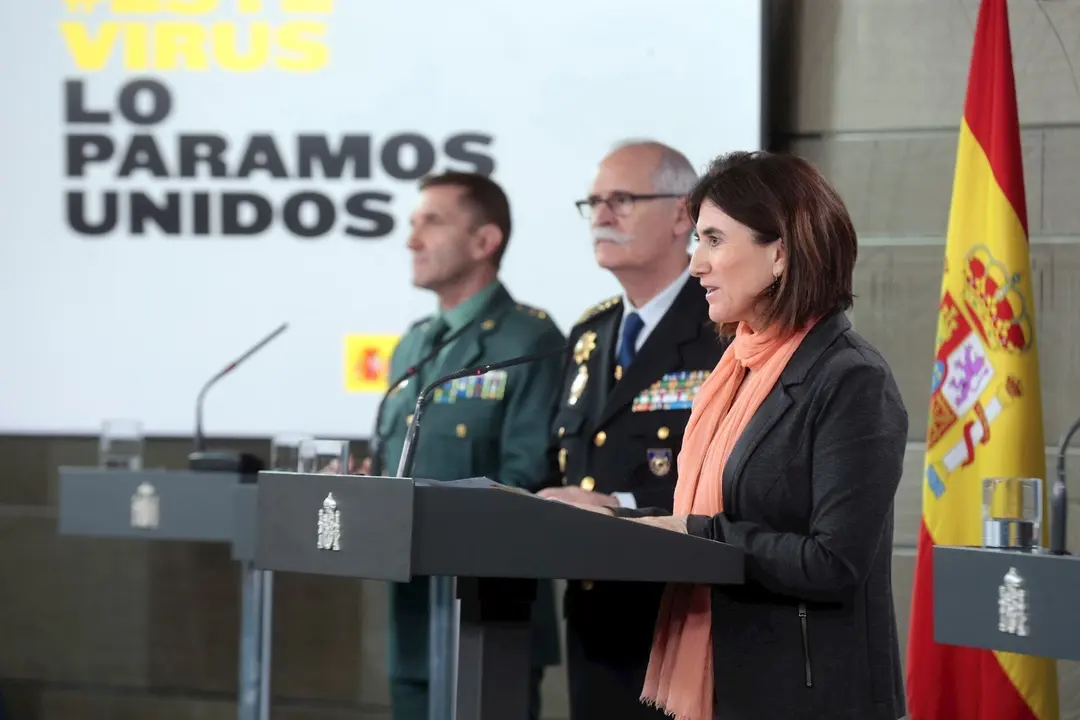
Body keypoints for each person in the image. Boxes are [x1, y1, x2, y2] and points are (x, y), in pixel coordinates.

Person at [570, 150, 909, 720]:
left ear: (780, 252)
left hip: (804, 695)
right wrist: (612, 522)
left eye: (714, 241)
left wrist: (698, 535)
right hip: (726, 680)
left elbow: (834, 563)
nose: (696, 263)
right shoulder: (738, 367)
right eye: (697, 240)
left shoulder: (851, 378)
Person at [536, 140, 729, 720]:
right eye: (592, 202)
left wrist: (616, 506)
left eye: (620, 200)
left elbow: (736, 479)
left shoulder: (722, 328)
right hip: (594, 615)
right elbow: (560, 465)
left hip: (681, 617)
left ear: (682, 215)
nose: (599, 216)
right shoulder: (591, 333)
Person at [371, 171, 565, 720]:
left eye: (431, 222)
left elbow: (526, 477)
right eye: (412, 224)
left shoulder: (528, 341)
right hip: (412, 609)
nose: (411, 240)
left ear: (485, 242)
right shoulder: (412, 343)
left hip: (488, 611)